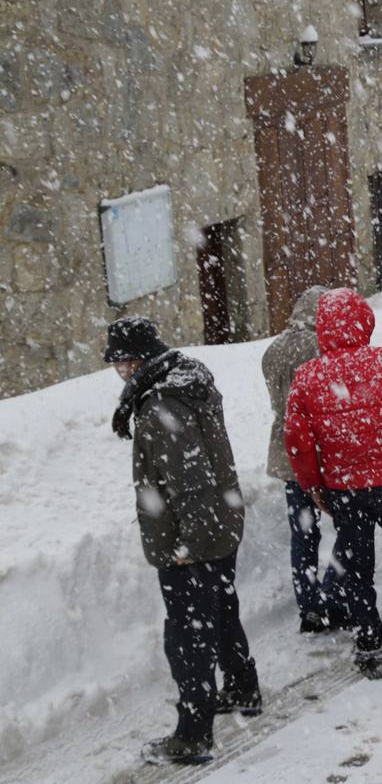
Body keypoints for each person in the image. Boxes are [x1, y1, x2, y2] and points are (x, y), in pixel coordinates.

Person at [106, 316, 261, 766]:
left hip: (194, 538)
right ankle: (242, 686)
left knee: (187, 637)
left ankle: (193, 735)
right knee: (222, 609)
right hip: (220, 524)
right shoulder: (187, 384)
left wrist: (187, 547)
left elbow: (191, 482)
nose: (120, 372)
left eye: (123, 362)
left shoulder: (159, 406)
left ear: (141, 359)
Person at [284, 288, 382, 679]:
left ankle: (370, 644)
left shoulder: (307, 378)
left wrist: (313, 485)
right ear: (365, 321)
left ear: (322, 329)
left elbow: (298, 442)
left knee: (357, 569)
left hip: (346, 489)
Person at [262, 285, 350, 633]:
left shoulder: (272, 351)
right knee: (348, 528)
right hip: (323, 456)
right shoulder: (321, 348)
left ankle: (309, 605)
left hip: (287, 455)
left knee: (303, 534)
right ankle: (332, 593)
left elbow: (278, 404)